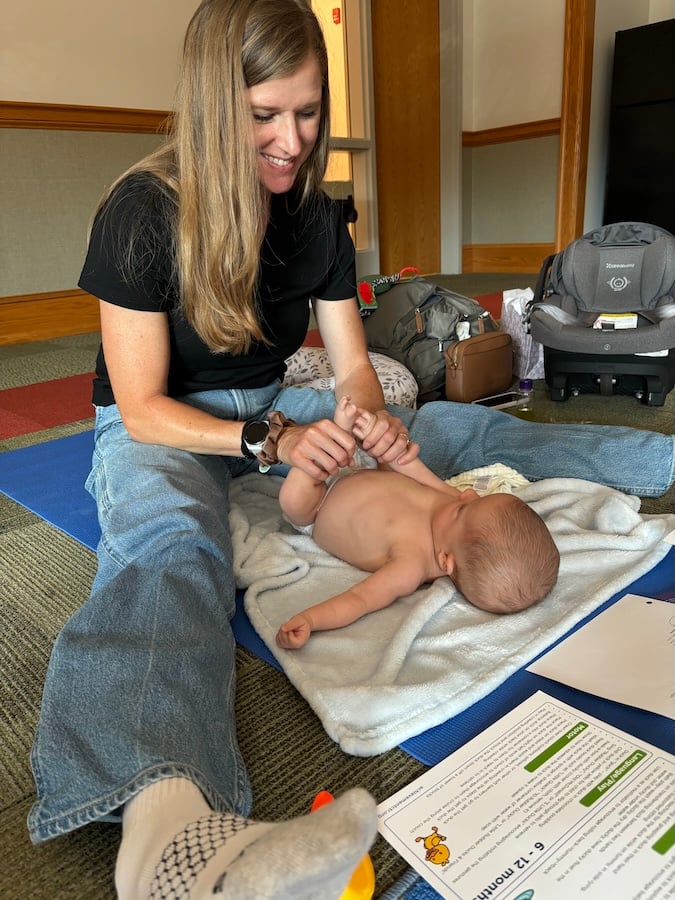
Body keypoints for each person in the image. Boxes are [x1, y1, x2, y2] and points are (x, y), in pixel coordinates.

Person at [27, 1, 675, 898]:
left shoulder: (314, 218)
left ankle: (663, 463)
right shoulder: (142, 211)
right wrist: (270, 440)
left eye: (307, 111)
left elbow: (351, 367)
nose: (292, 141)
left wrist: (367, 420)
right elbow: (139, 408)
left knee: (452, 429)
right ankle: (171, 833)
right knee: (172, 547)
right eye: (264, 116)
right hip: (173, 422)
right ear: (217, 106)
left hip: (269, 402)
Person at [276, 397, 560, 649]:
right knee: (380, 447)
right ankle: (340, 437)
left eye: (465, 508)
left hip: (319, 508)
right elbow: (411, 468)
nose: (469, 494)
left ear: (446, 560)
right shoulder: (458, 506)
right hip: (365, 468)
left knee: (292, 499)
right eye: (479, 498)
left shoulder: (410, 566)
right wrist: (384, 443)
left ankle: (333, 437)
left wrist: (311, 620)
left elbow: (360, 599)